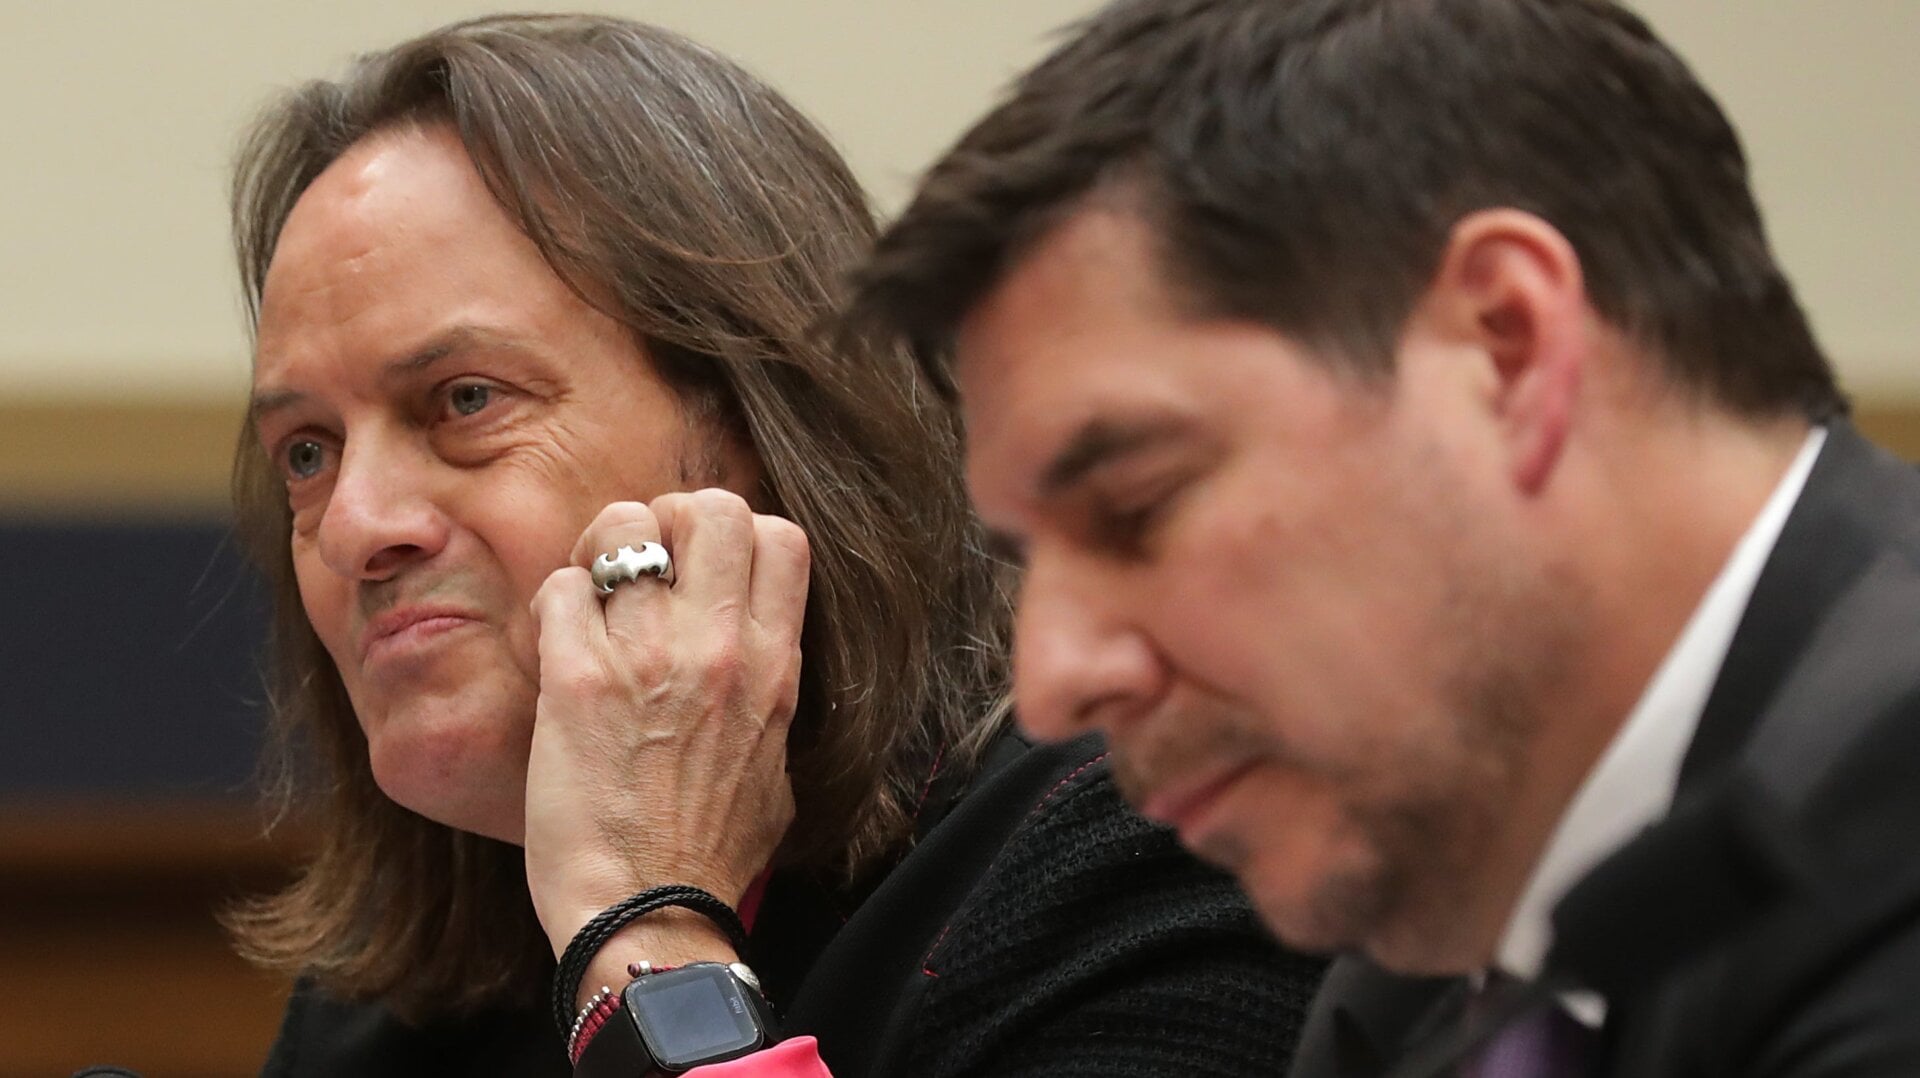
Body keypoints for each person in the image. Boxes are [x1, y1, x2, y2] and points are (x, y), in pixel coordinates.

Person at [222, 12, 1323, 1078]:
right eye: (307, 454)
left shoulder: (1152, 851)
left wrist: (646, 927)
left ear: (759, 426)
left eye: (464, 399)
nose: (359, 524)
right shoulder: (402, 992)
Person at [844, 0, 1920, 1074]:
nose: (1050, 685)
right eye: (1028, 563)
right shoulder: (1426, 958)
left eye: (1138, 506)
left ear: (1504, 345)